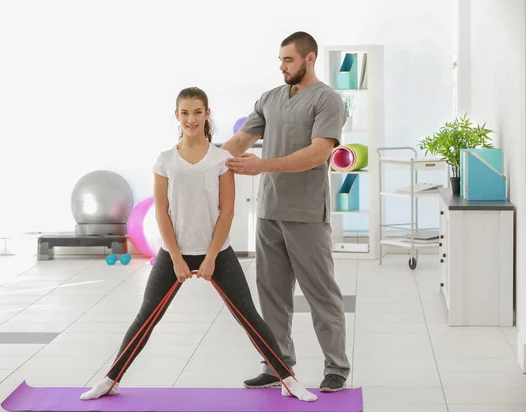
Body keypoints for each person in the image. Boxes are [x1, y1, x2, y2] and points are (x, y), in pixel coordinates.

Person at [80, 87, 317, 403]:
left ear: (207, 114)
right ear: (176, 116)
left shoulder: (221, 159)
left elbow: (227, 210)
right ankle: (111, 379)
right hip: (173, 253)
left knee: (248, 315)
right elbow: (161, 212)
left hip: (217, 252)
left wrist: (210, 257)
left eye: (197, 112)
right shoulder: (165, 160)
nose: (191, 119)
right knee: (147, 316)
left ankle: (288, 379)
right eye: (185, 112)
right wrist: (176, 258)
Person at [220, 31, 350, 392]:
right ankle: (276, 364)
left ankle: (336, 366)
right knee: (271, 293)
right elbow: (240, 141)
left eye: (288, 60)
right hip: (269, 211)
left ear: (309, 59)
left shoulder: (328, 101)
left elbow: (317, 153)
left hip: (306, 212)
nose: (282, 66)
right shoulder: (270, 99)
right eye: (280, 60)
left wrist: (264, 166)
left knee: (320, 292)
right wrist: (199, 162)